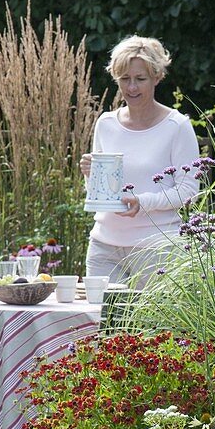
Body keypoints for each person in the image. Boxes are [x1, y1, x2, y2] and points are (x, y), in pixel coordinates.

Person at [79, 36, 199, 286]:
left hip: (157, 249)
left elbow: (189, 192)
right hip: (104, 247)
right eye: (125, 79)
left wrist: (142, 202)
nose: (132, 87)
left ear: (157, 77)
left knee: (155, 326)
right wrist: (91, 174)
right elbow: (100, 193)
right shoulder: (106, 124)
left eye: (140, 79)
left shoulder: (177, 126)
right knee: (104, 324)